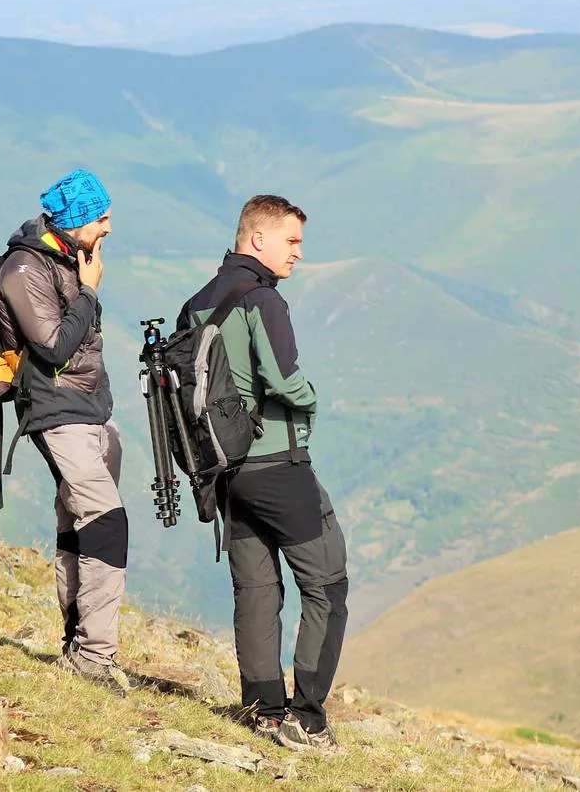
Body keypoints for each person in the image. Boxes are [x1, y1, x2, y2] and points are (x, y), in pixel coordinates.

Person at [177, 194, 349, 749]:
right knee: (326, 582)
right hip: (277, 462)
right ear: (257, 240)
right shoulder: (264, 302)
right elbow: (282, 378)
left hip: (226, 470)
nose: (299, 253)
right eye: (292, 241)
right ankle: (307, 718)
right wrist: (314, 402)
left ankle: (263, 709)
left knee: (255, 586)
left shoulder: (198, 302)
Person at [0, 169, 129, 694]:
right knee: (106, 520)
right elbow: (53, 346)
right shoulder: (24, 269)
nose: (110, 228)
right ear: (74, 221)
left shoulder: (70, 259)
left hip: (92, 409)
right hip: (55, 408)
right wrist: (90, 293)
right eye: (102, 217)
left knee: (79, 523)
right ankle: (95, 656)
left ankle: (77, 644)